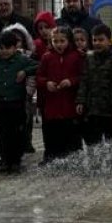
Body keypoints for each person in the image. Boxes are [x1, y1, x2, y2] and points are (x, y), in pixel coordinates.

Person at [0, 30, 39, 174]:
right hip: (1, 103)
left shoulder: (21, 59)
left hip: (17, 102)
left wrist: (24, 72)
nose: (5, 51)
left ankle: (16, 160)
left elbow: (38, 65)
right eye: (1, 48)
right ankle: (5, 160)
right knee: (2, 132)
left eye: (8, 48)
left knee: (17, 132)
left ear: (15, 47)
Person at [36, 26, 83, 164]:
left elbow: (83, 76)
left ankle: (73, 161)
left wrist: (71, 81)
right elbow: (39, 76)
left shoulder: (77, 56)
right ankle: (51, 158)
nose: (59, 44)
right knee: (51, 134)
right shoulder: (47, 57)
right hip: (52, 104)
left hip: (70, 103)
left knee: (71, 134)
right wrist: (47, 83)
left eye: (62, 41)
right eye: (55, 41)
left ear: (69, 41)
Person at [76, 24, 112, 145]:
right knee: (93, 141)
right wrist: (81, 101)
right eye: (94, 40)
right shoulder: (89, 58)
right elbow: (84, 80)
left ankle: (110, 162)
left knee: (109, 141)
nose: (97, 43)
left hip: (107, 109)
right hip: (91, 108)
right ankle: (95, 163)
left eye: (101, 40)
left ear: (109, 40)